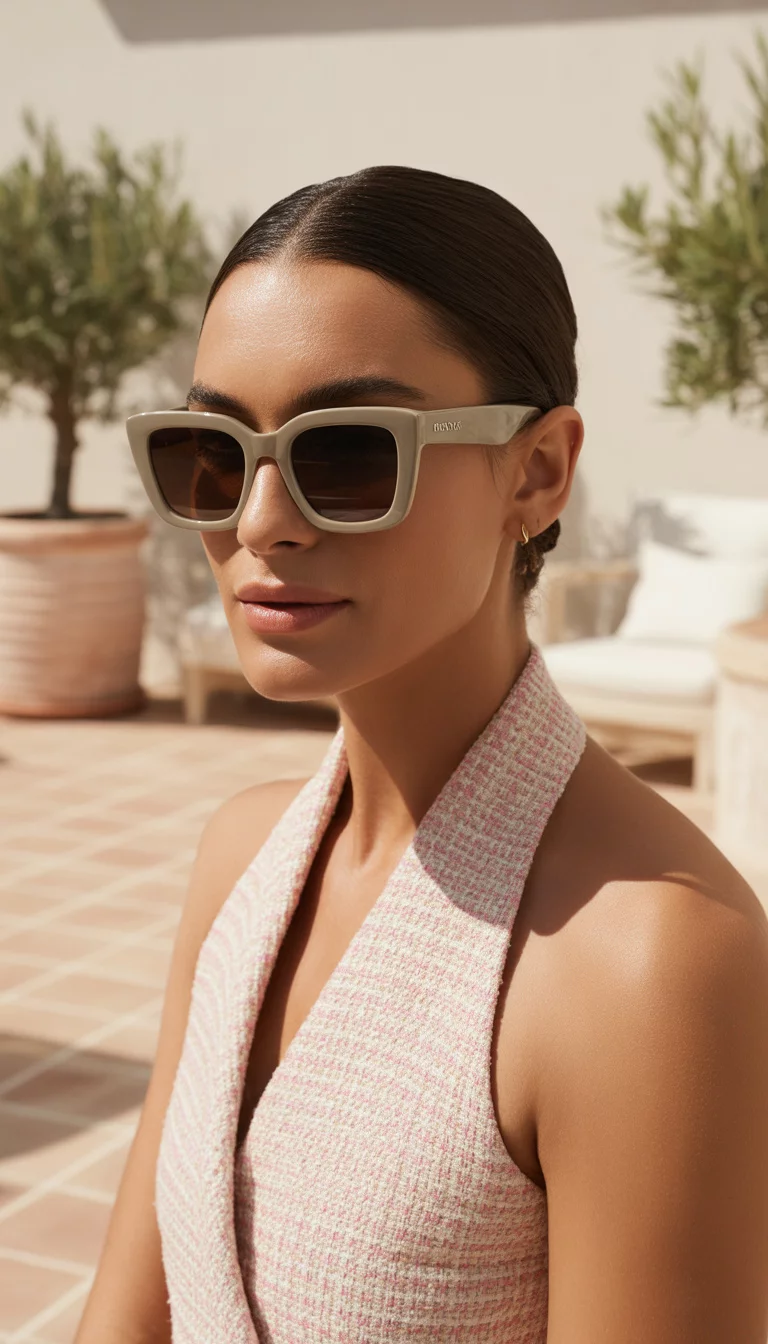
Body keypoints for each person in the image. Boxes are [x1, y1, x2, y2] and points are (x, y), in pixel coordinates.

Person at [76, 165, 768, 1344]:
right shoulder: (239, 861)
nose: (256, 520)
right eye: (212, 450)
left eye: (346, 453)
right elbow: (127, 1318)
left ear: (537, 472)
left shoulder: (650, 964)